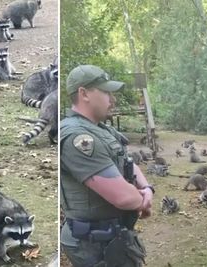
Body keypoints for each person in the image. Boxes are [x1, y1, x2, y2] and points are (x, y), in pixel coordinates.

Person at [60, 65, 154, 267]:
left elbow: (127, 161)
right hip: (93, 244)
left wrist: (146, 189)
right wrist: (141, 200)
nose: (113, 100)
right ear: (83, 93)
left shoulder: (101, 130)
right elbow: (123, 197)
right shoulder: (78, 138)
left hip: (112, 237)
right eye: (106, 92)